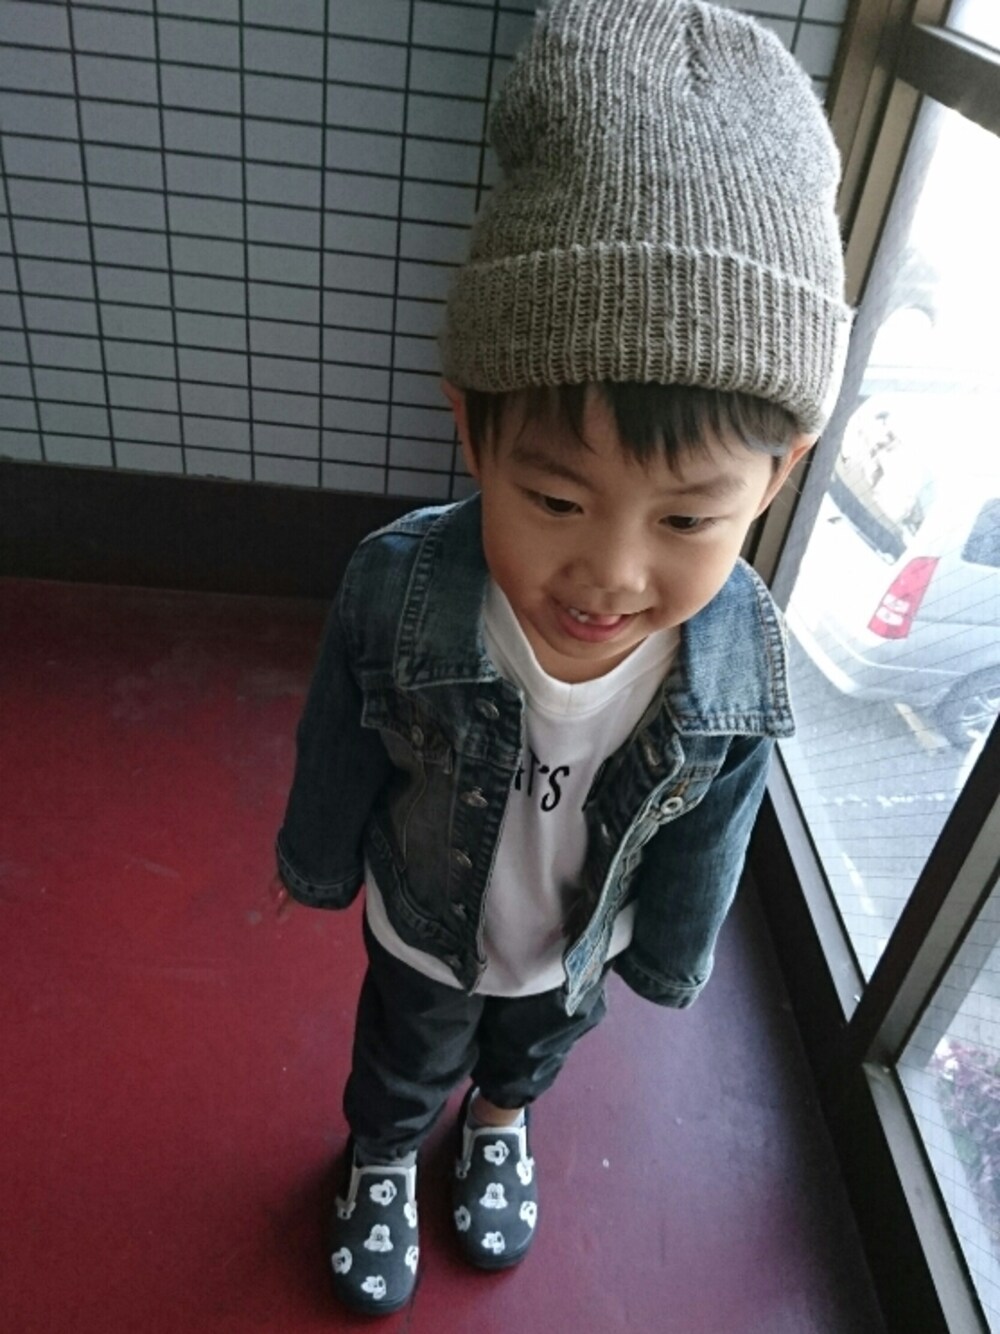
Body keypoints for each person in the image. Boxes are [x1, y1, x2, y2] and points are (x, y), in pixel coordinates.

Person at [274, 0, 852, 1314]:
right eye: (555, 497)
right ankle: (383, 1153)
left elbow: (716, 820)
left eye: (688, 520)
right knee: (403, 1050)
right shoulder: (404, 587)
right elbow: (341, 730)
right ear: (471, 430)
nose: (613, 572)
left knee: (535, 1050)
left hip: (580, 941)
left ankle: (499, 1123)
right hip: (426, 922)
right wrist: (316, 857)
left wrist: (669, 957)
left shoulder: (735, 657)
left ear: (776, 479)